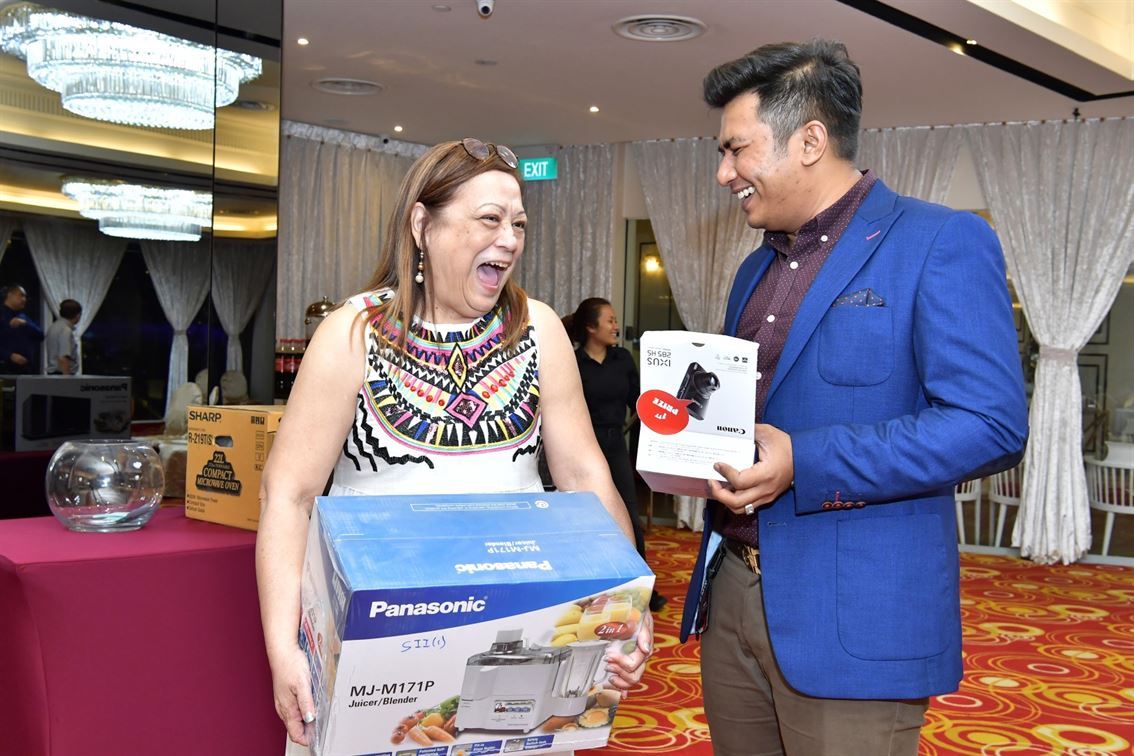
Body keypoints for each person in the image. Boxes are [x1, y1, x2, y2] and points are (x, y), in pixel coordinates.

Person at [679, 40, 1029, 756]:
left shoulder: (938, 242)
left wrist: (805, 462)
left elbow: (989, 424)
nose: (724, 173)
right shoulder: (753, 271)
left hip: (857, 616)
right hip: (733, 595)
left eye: (736, 150)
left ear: (810, 141)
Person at [256, 138, 654, 750]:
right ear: (422, 224)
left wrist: (628, 604)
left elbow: (584, 477)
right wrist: (282, 647)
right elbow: (289, 495)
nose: (510, 239)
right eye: (490, 219)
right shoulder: (354, 333)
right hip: (376, 651)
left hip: (518, 635)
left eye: (518, 224)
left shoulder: (539, 329)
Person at [564, 297, 666, 613]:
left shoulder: (623, 359)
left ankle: (643, 588)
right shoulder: (573, 363)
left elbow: (640, 401)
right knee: (584, 518)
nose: (615, 326)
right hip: (583, 448)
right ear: (590, 327)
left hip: (615, 445)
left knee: (628, 516)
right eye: (609, 320)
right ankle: (585, 586)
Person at [0, 284, 44, 374]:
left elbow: (40, 335)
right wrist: (9, 355)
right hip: (5, 369)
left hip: (26, 369)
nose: (24, 299)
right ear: (10, 295)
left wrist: (25, 324)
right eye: (21, 295)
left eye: (25, 297)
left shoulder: (23, 317)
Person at [45, 298, 82, 375]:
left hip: (54, 374)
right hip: (62, 374)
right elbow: (63, 358)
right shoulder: (65, 330)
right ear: (77, 315)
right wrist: (67, 379)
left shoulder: (53, 326)